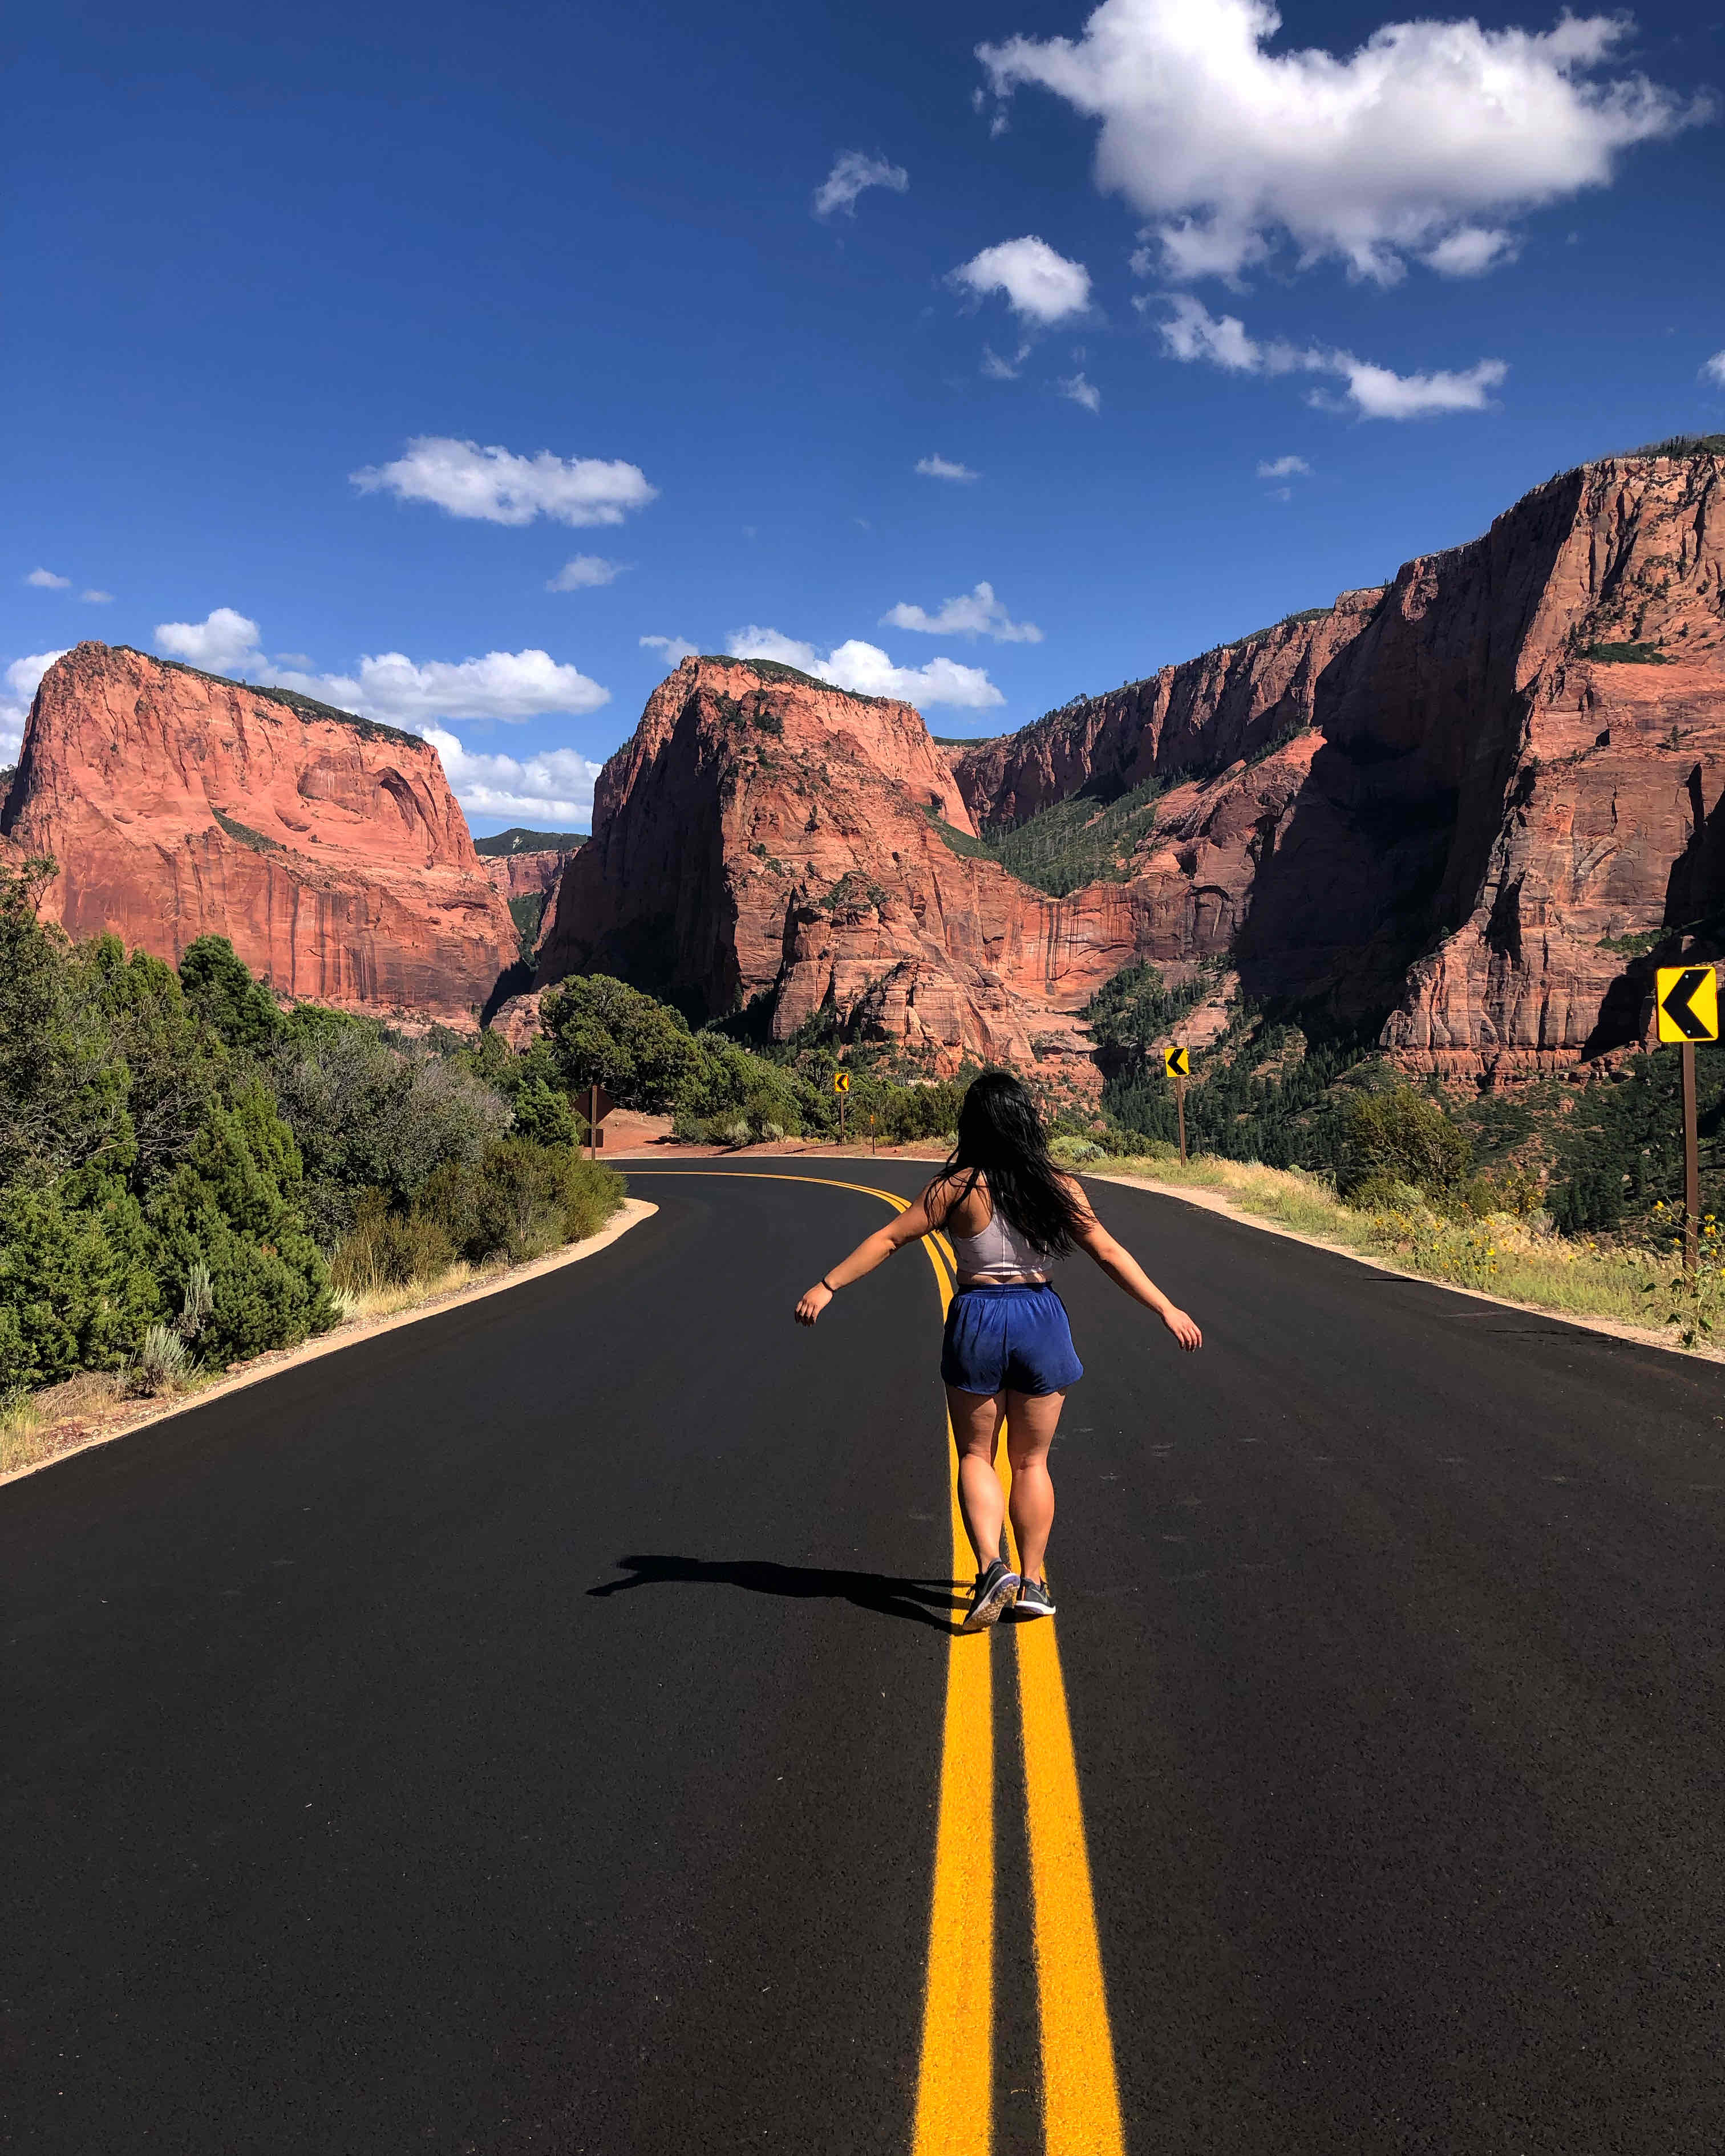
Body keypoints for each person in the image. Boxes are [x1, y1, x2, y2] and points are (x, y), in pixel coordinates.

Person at [795, 1070, 1202, 1630]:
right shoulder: (1058, 1186)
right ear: (1025, 1122)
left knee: (975, 1456)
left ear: (974, 1126)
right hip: (1040, 1319)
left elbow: (889, 1238)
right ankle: (1032, 1581)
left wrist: (828, 1284)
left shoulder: (953, 1189)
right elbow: (1108, 1253)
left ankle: (992, 1567)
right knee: (1031, 1461)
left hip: (978, 1319)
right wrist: (1165, 1308)